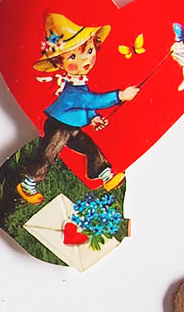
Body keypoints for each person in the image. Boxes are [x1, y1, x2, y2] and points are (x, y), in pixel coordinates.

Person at [16, 11, 138, 205]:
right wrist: (120, 96)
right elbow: (89, 101)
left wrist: (93, 118)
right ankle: (28, 185)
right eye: (73, 56)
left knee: (90, 147)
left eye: (89, 51)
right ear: (58, 63)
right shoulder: (72, 89)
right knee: (49, 153)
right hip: (58, 126)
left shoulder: (80, 82)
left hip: (72, 127)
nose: (85, 60)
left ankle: (105, 175)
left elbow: (86, 106)